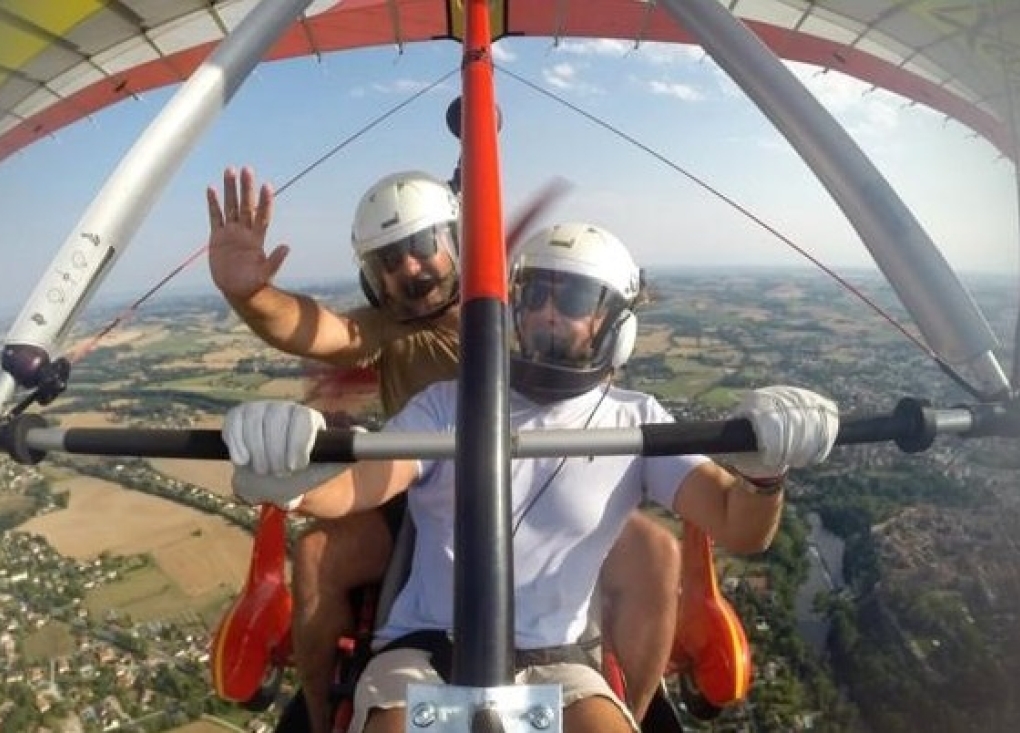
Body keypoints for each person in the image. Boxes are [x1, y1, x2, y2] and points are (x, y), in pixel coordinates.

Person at [220, 221, 840, 733]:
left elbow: (740, 526)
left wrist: (764, 474)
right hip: (429, 653)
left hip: (557, 667)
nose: (546, 313)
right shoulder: (448, 404)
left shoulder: (638, 420)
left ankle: (638, 710)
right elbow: (365, 483)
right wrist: (293, 479)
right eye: (535, 295)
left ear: (613, 323)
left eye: (570, 300)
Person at [207, 168, 684, 728]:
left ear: (457, 244)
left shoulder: (525, 310)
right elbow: (319, 331)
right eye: (387, 260)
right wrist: (250, 293)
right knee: (316, 555)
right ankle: (319, 715)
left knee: (658, 553)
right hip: (419, 490)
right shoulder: (392, 330)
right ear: (373, 281)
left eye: (419, 246)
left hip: (547, 485)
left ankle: (634, 707)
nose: (408, 267)